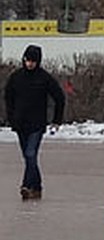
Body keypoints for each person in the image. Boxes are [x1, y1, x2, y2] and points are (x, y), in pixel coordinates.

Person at [4, 44, 66, 200]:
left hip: (37, 124)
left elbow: (59, 97)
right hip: (20, 124)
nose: (30, 63)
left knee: (31, 154)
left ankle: (26, 185)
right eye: (28, 60)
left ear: (38, 61)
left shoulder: (44, 78)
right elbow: (8, 98)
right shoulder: (16, 77)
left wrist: (56, 120)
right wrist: (11, 118)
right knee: (28, 157)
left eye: (33, 61)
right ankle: (36, 187)